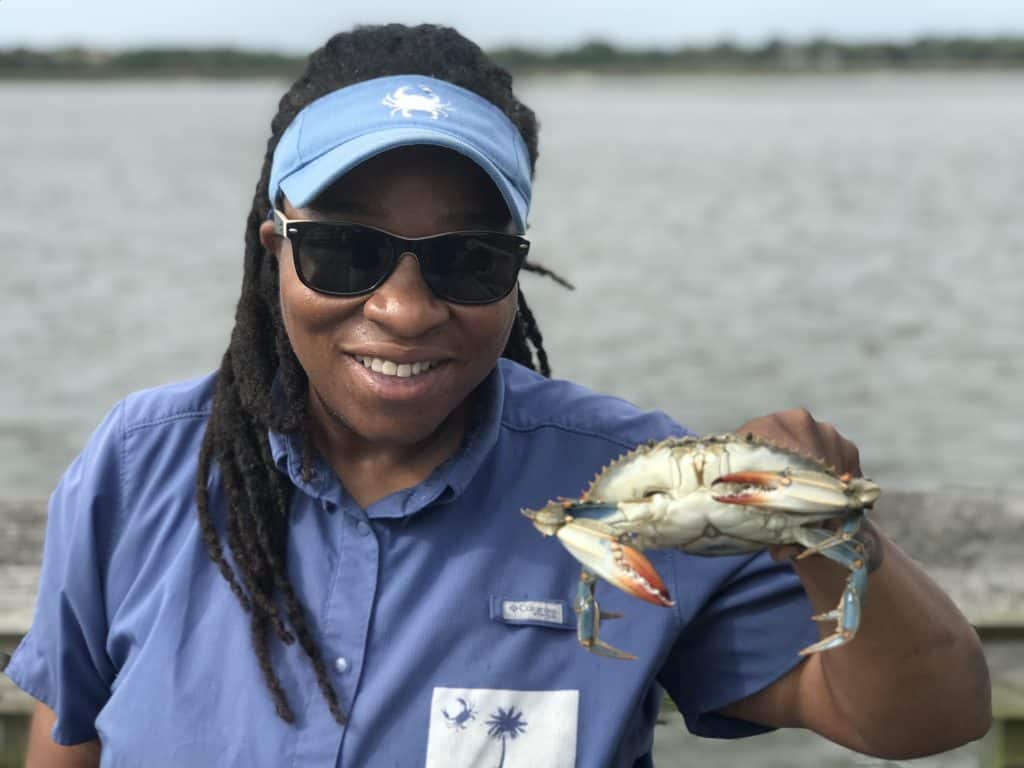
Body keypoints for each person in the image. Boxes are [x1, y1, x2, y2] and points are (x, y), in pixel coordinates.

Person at [6, 23, 990, 768]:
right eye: (344, 249)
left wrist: (828, 532)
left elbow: (926, 717)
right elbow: (69, 733)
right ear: (275, 254)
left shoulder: (634, 486)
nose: (401, 308)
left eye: (466, 261)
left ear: (516, 273)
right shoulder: (143, 463)